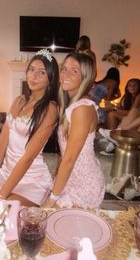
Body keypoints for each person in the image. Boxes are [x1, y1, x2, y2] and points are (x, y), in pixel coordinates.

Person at [0, 49, 59, 206]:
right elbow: (1, 143)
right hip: (6, 173)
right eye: (31, 69)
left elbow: (28, 158)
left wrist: (1, 195)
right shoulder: (19, 100)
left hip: (31, 179)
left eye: (41, 72)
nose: (33, 76)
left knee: (4, 213)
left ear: (51, 78)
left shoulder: (50, 109)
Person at [43, 52, 105, 209]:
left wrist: (52, 199)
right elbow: (65, 155)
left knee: (45, 217)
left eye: (74, 71)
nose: (65, 74)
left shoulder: (82, 108)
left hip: (84, 185)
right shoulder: (74, 104)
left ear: (85, 77)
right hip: (72, 178)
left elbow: (69, 159)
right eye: (64, 69)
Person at [99, 79, 140, 154]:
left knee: (132, 112)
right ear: (127, 87)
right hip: (135, 117)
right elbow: (123, 110)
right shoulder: (128, 97)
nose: (132, 87)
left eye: (134, 85)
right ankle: (113, 140)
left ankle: (114, 135)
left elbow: (132, 111)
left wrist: (114, 108)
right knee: (112, 114)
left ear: (139, 87)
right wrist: (114, 107)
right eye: (130, 85)